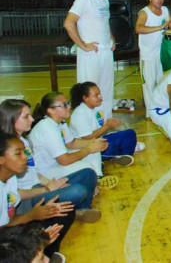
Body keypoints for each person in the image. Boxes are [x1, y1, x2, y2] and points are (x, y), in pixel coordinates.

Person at [0, 99, 100, 224]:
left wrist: (51, 184)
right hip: (28, 199)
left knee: (88, 174)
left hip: (39, 186)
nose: (32, 119)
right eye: (26, 116)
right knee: (78, 191)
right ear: (11, 119)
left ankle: (81, 210)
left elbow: (33, 172)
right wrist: (46, 189)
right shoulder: (7, 152)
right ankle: (67, 214)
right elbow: (15, 194)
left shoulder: (23, 141)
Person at [0, 133, 74, 263]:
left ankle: (44, 255)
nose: (25, 157)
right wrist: (32, 216)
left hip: (9, 231)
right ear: (1, 159)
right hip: (4, 244)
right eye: (18, 153)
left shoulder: (11, 178)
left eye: (24, 151)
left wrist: (40, 214)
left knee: (63, 212)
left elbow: (11, 220)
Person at [28, 93, 116, 189]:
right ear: (51, 110)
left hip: (56, 163)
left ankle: (98, 177)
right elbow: (65, 160)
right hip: (45, 173)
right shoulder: (48, 129)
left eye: (68, 103)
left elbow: (72, 143)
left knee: (93, 147)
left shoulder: (60, 122)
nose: (69, 107)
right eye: (64, 105)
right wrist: (88, 149)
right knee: (87, 166)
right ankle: (92, 180)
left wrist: (93, 144)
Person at [63, 0, 116, 119]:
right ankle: (87, 125)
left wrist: (111, 37)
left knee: (106, 91)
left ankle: (105, 122)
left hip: (106, 52)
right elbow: (68, 23)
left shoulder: (105, 0)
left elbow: (104, 22)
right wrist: (83, 45)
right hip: (91, 54)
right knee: (89, 93)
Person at [69, 82, 144, 166]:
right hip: (88, 147)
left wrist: (110, 123)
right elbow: (87, 138)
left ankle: (121, 156)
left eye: (99, 94)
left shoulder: (96, 108)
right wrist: (107, 126)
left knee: (130, 133)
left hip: (100, 140)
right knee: (110, 146)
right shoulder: (80, 113)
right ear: (85, 98)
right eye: (96, 95)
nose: (100, 97)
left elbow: (100, 130)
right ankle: (108, 157)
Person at [135, 0, 171, 117]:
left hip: (162, 54)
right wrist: (160, 27)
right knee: (149, 85)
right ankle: (150, 114)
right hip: (148, 56)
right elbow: (138, 28)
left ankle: (162, 109)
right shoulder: (144, 12)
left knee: (163, 83)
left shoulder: (165, 10)